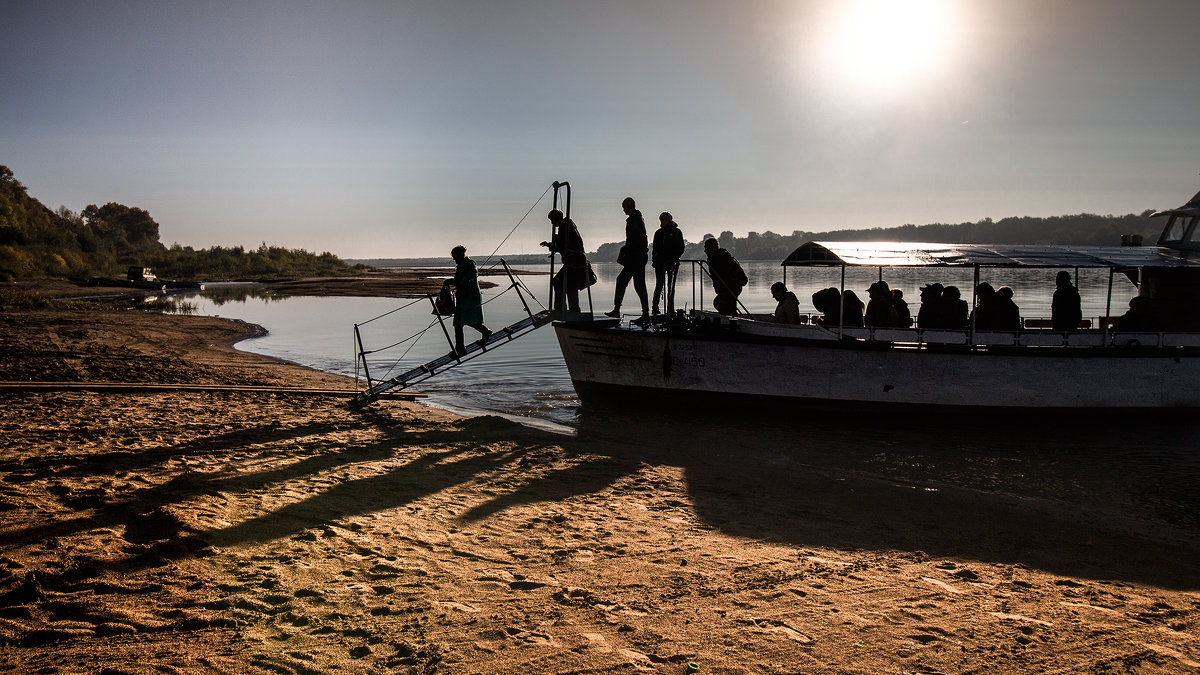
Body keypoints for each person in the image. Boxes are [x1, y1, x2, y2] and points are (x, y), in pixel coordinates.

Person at [606, 197, 649, 319]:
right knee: (633, 283)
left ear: (629, 207)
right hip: (637, 257)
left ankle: (644, 314)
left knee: (633, 283)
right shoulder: (636, 218)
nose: (623, 210)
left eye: (624, 208)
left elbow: (636, 240)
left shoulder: (635, 220)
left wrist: (627, 250)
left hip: (636, 258)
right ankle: (620, 309)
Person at [443, 245, 491, 356]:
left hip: (470, 297)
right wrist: (451, 281)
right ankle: (461, 347)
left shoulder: (470, 264)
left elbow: (469, 277)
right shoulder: (460, 266)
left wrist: (455, 282)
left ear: (460, 255)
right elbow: (459, 280)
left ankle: (462, 347)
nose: (454, 259)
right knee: (460, 322)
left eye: (455, 257)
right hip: (462, 297)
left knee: (464, 320)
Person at [541, 209, 588, 313]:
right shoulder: (568, 226)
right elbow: (562, 244)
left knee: (558, 282)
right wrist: (551, 245)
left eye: (552, 220)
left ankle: (561, 309)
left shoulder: (565, 227)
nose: (552, 223)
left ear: (556, 219)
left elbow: (562, 245)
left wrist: (552, 245)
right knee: (570, 286)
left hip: (575, 261)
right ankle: (573, 310)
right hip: (576, 261)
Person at [651, 211, 685, 315]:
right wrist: (654, 260)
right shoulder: (658, 233)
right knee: (659, 285)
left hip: (672, 263)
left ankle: (670, 309)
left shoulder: (677, 232)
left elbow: (681, 247)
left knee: (671, 286)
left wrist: (675, 257)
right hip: (660, 263)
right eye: (661, 219)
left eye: (664, 219)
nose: (662, 221)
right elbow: (655, 248)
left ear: (669, 220)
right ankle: (655, 308)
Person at [703, 238, 747, 316]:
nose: (705, 251)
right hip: (726, 288)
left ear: (713, 248)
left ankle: (731, 320)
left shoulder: (724, 258)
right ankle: (731, 317)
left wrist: (731, 284)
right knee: (725, 304)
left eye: (706, 248)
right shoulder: (714, 259)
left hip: (733, 287)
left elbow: (736, 273)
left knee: (719, 302)